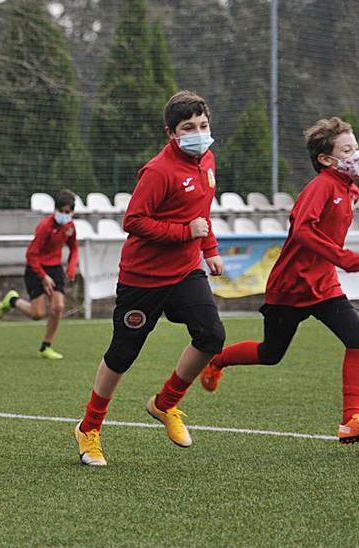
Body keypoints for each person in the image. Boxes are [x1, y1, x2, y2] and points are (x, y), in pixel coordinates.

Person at [199, 116, 359, 444]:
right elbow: (302, 231)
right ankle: (218, 360)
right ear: (326, 160)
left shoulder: (349, 189)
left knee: (358, 338)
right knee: (271, 353)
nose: (356, 155)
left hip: (323, 285)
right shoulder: (321, 188)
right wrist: (346, 259)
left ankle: (350, 420)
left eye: (356, 147)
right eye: (347, 150)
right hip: (290, 287)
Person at [73, 90, 226, 466]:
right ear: (171, 133)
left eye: (203, 125)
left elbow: (201, 214)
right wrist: (184, 233)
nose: (198, 133)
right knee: (123, 354)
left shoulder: (207, 160)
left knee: (211, 336)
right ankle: (89, 428)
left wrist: (209, 250)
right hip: (143, 278)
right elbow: (134, 222)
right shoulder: (158, 170)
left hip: (186, 271)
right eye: (188, 127)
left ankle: (165, 403)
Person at [0, 190, 80, 360]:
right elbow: (31, 255)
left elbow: (74, 248)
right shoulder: (45, 227)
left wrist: (71, 267)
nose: (65, 215)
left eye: (68, 212)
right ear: (55, 210)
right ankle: (12, 300)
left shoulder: (70, 227)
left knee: (58, 307)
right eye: (62, 211)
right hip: (36, 268)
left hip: (55, 268)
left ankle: (46, 347)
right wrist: (43, 276)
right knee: (37, 314)